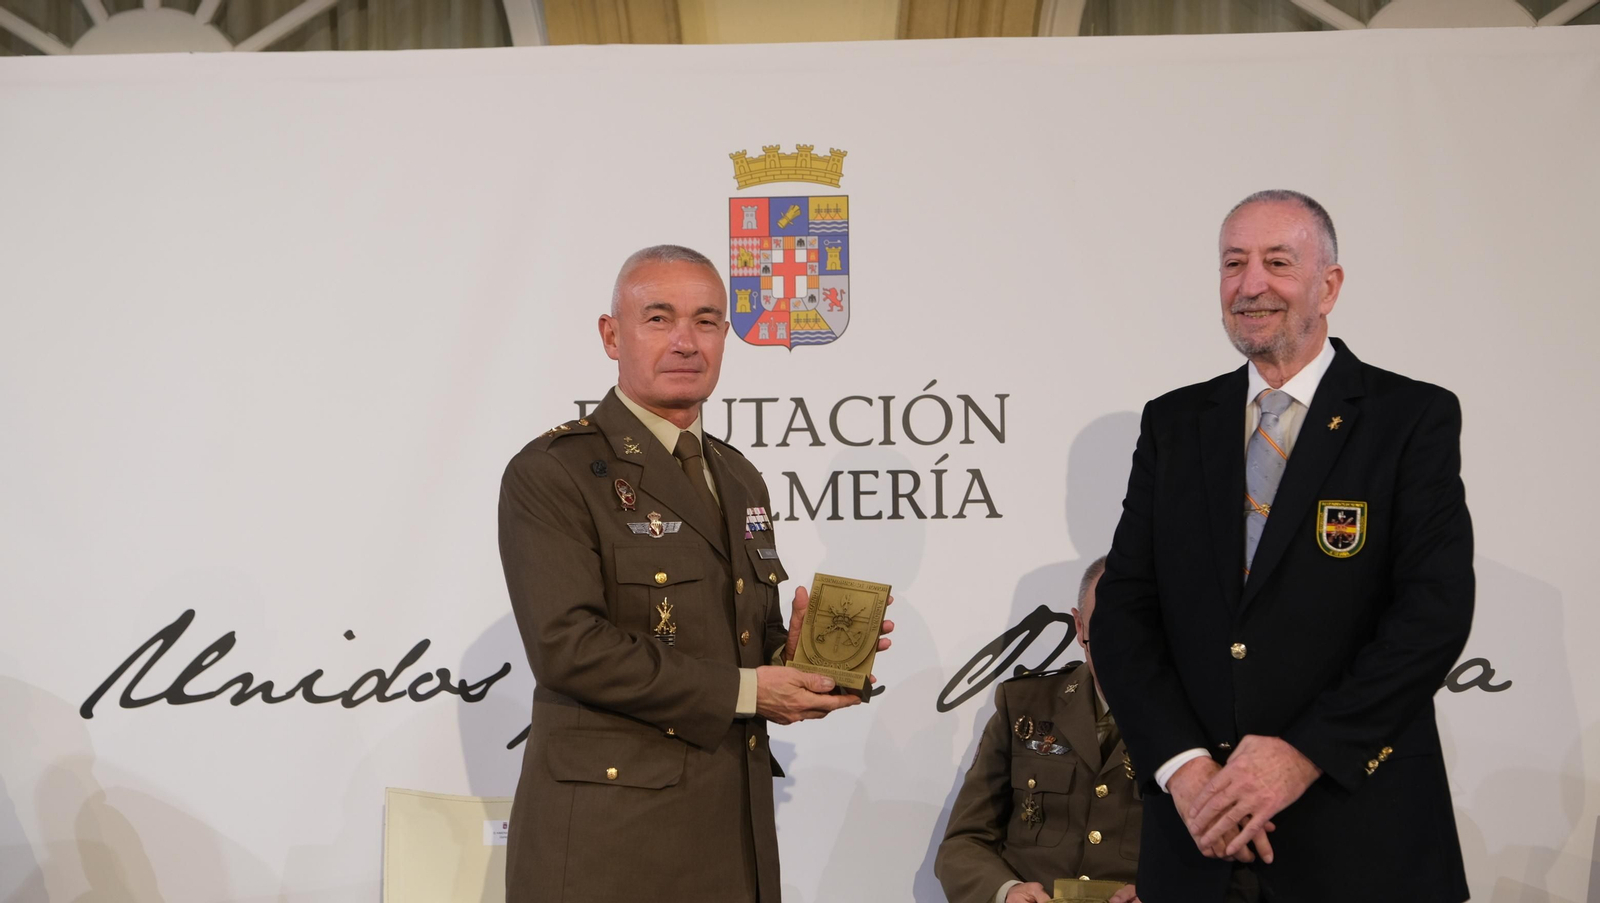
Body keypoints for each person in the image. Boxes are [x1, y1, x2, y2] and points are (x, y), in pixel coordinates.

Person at [1092, 190, 1474, 903]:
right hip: (1200, 845)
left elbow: (1434, 613)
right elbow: (1122, 612)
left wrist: (1303, 754)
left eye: (1277, 261)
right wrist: (1186, 769)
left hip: (1360, 842)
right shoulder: (1174, 424)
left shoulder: (1409, 418)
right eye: (1233, 263)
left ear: (1328, 284)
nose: (1250, 283)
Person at [496, 244, 893, 902]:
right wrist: (749, 689)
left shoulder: (738, 475)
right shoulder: (554, 471)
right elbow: (569, 648)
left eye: (706, 321)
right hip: (612, 845)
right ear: (610, 334)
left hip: (731, 834)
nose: (686, 341)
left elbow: (739, 644)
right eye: (659, 318)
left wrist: (793, 657)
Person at [937, 557, 1141, 903]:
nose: (1118, 653)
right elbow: (963, 842)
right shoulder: (1023, 704)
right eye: (1103, 633)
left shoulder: (1199, 721)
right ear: (1080, 628)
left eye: (1135, 631)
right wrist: (1005, 893)